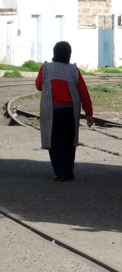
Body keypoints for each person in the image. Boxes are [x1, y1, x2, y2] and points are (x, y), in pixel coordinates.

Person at [35, 41, 94, 181]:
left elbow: (38, 86)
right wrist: (89, 113)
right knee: (69, 141)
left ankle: (59, 172)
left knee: (55, 141)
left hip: (52, 111)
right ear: (69, 54)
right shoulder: (74, 70)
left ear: (54, 52)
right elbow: (83, 92)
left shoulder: (46, 68)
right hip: (70, 111)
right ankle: (69, 169)